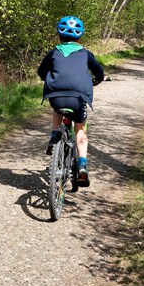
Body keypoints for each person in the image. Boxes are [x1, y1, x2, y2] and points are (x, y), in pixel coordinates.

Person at [37, 16, 105, 187]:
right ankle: (82, 165)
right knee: (80, 130)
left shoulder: (54, 52)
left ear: (58, 35)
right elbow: (99, 73)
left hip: (56, 97)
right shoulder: (85, 53)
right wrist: (97, 80)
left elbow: (41, 72)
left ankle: (54, 136)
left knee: (57, 109)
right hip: (78, 98)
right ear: (79, 37)